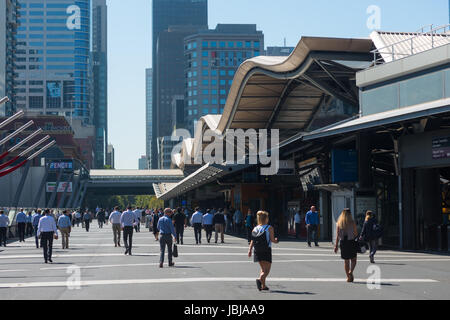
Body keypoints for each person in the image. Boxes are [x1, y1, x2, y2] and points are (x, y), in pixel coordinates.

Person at [248, 211, 279, 291]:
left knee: (262, 269)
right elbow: (272, 240)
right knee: (267, 270)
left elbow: (252, 240)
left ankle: (263, 286)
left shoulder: (255, 228)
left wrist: (250, 250)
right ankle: (259, 280)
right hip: (266, 250)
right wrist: (276, 240)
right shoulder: (269, 227)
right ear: (266, 219)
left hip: (257, 250)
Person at [334, 208, 358, 283]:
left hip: (343, 243)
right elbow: (356, 233)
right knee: (353, 259)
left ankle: (348, 277)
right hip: (351, 242)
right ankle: (351, 271)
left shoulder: (339, 222)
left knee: (346, 261)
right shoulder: (352, 222)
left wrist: (336, 246)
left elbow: (337, 235)